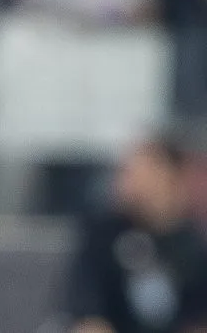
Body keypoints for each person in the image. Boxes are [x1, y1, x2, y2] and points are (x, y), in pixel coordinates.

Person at [64, 134, 207, 333]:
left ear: (169, 175)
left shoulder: (195, 246)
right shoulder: (103, 236)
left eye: (138, 171)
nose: (126, 181)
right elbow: (87, 317)